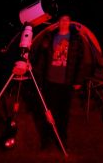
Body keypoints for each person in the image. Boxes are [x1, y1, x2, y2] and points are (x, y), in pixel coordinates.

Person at [31, 14, 85, 149]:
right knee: (49, 111)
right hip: (50, 80)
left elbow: (80, 61)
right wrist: (38, 76)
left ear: (70, 22)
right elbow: (42, 58)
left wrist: (78, 80)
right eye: (62, 20)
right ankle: (46, 139)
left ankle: (62, 139)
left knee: (64, 113)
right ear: (58, 22)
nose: (64, 22)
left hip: (66, 82)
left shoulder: (76, 39)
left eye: (67, 20)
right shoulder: (50, 37)